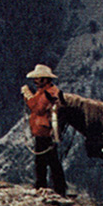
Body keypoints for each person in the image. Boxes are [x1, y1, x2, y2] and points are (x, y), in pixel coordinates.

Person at [19, 64, 69, 195]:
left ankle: (44, 186)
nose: (35, 81)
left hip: (45, 132)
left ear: (45, 79)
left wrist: (27, 96)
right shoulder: (46, 91)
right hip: (43, 131)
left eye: (38, 78)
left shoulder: (49, 93)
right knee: (50, 161)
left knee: (44, 161)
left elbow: (38, 109)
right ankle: (56, 188)